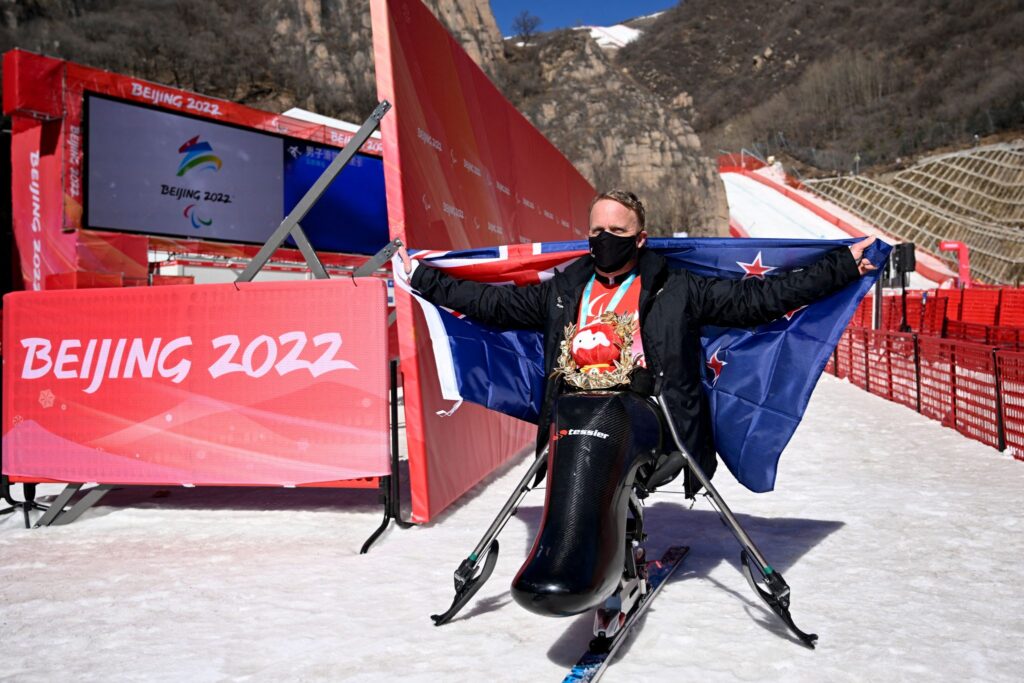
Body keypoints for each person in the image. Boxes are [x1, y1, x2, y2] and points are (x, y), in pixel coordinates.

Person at [398, 190, 876, 494]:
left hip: (650, 415)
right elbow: (493, 306)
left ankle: (609, 549)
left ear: (641, 238)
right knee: (582, 447)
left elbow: (761, 297)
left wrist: (840, 268)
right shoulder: (563, 292)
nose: (606, 240)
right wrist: (424, 278)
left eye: (618, 232)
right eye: (597, 232)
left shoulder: (678, 289)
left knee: (608, 453)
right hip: (576, 412)